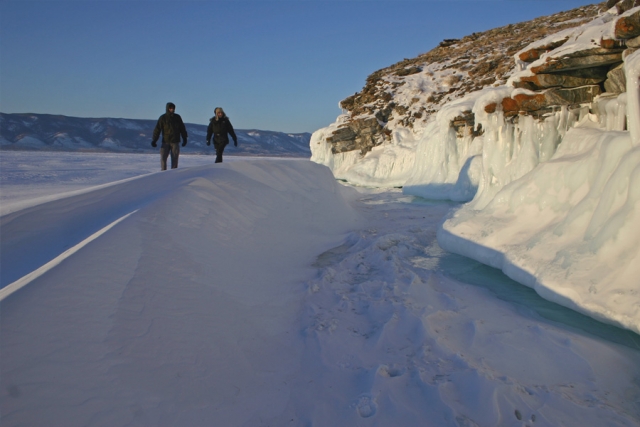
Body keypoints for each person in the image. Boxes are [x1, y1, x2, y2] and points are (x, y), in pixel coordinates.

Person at [151, 102, 188, 170]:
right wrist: (154, 140)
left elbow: (182, 128)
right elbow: (157, 129)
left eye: (173, 108)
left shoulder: (177, 117)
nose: (172, 109)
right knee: (163, 158)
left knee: (174, 159)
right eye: (170, 108)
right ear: (167, 108)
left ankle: (173, 174)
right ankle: (163, 172)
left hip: (175, 142)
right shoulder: (163, 118)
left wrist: (184, 138)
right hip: (165, 142)